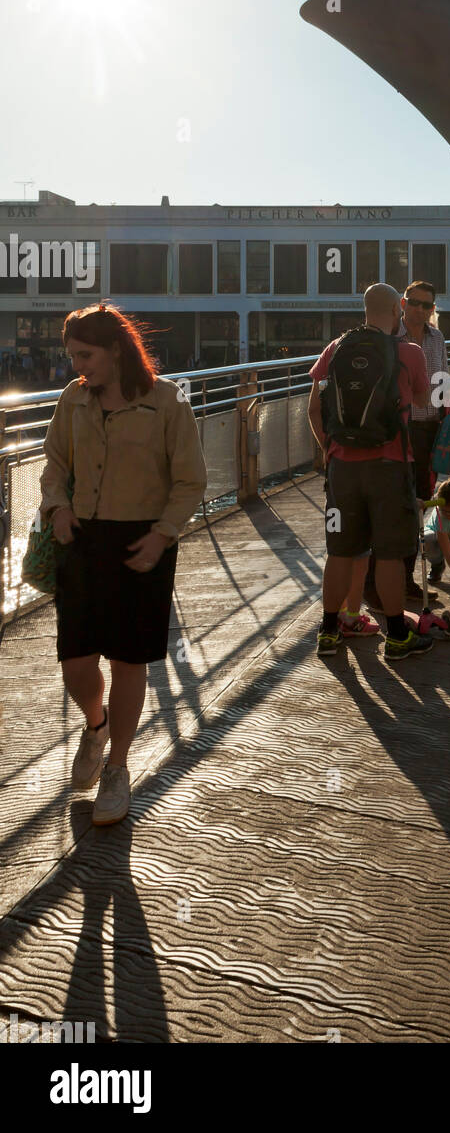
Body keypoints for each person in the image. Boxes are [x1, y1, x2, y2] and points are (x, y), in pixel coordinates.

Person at [39, 303, 207, 827]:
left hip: (143, 543)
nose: (76, 366)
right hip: (83, 540)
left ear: (116, 350)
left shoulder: (166, 401)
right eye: (72, 356)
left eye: (85, 355)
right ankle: (96, 725)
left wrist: (162, 536)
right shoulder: (73, 399)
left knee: (129, 661)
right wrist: (58, 507)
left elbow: (190, 481)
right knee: (76, 662)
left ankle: (117, 768)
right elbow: (55, 464)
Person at [307, 282, 433, 662]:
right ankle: (397, 638)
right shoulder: (409, 352)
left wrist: (329, 450)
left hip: (342, 469)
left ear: (364, 309)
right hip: (389, 467)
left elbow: (314, 409)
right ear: (398, 309)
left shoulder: (335, 349)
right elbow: (425, 399)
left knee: (340, 551)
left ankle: (329, 633)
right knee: (390, 554)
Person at [396, 278, 448, 600]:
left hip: (430, 429)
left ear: (432, 309)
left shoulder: (437, 338)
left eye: (426, 305)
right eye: (413, 302)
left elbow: (442, 380)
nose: (419, 309)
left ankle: (406, 576)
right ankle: (393, 576)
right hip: (399, 432)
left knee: (421, 502)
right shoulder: (390, 337)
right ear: (402, 304)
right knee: (398, 504)